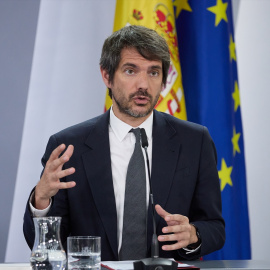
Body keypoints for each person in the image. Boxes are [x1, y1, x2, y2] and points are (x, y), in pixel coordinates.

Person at [23, 25, 225, 261]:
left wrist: (193, 234)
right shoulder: (69, 146)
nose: (143, 85)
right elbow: (42, 244)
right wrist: (41, 200)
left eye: (153, 72)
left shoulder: (194, 141)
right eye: (130, 71)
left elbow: (215, 228)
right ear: (107, 76)